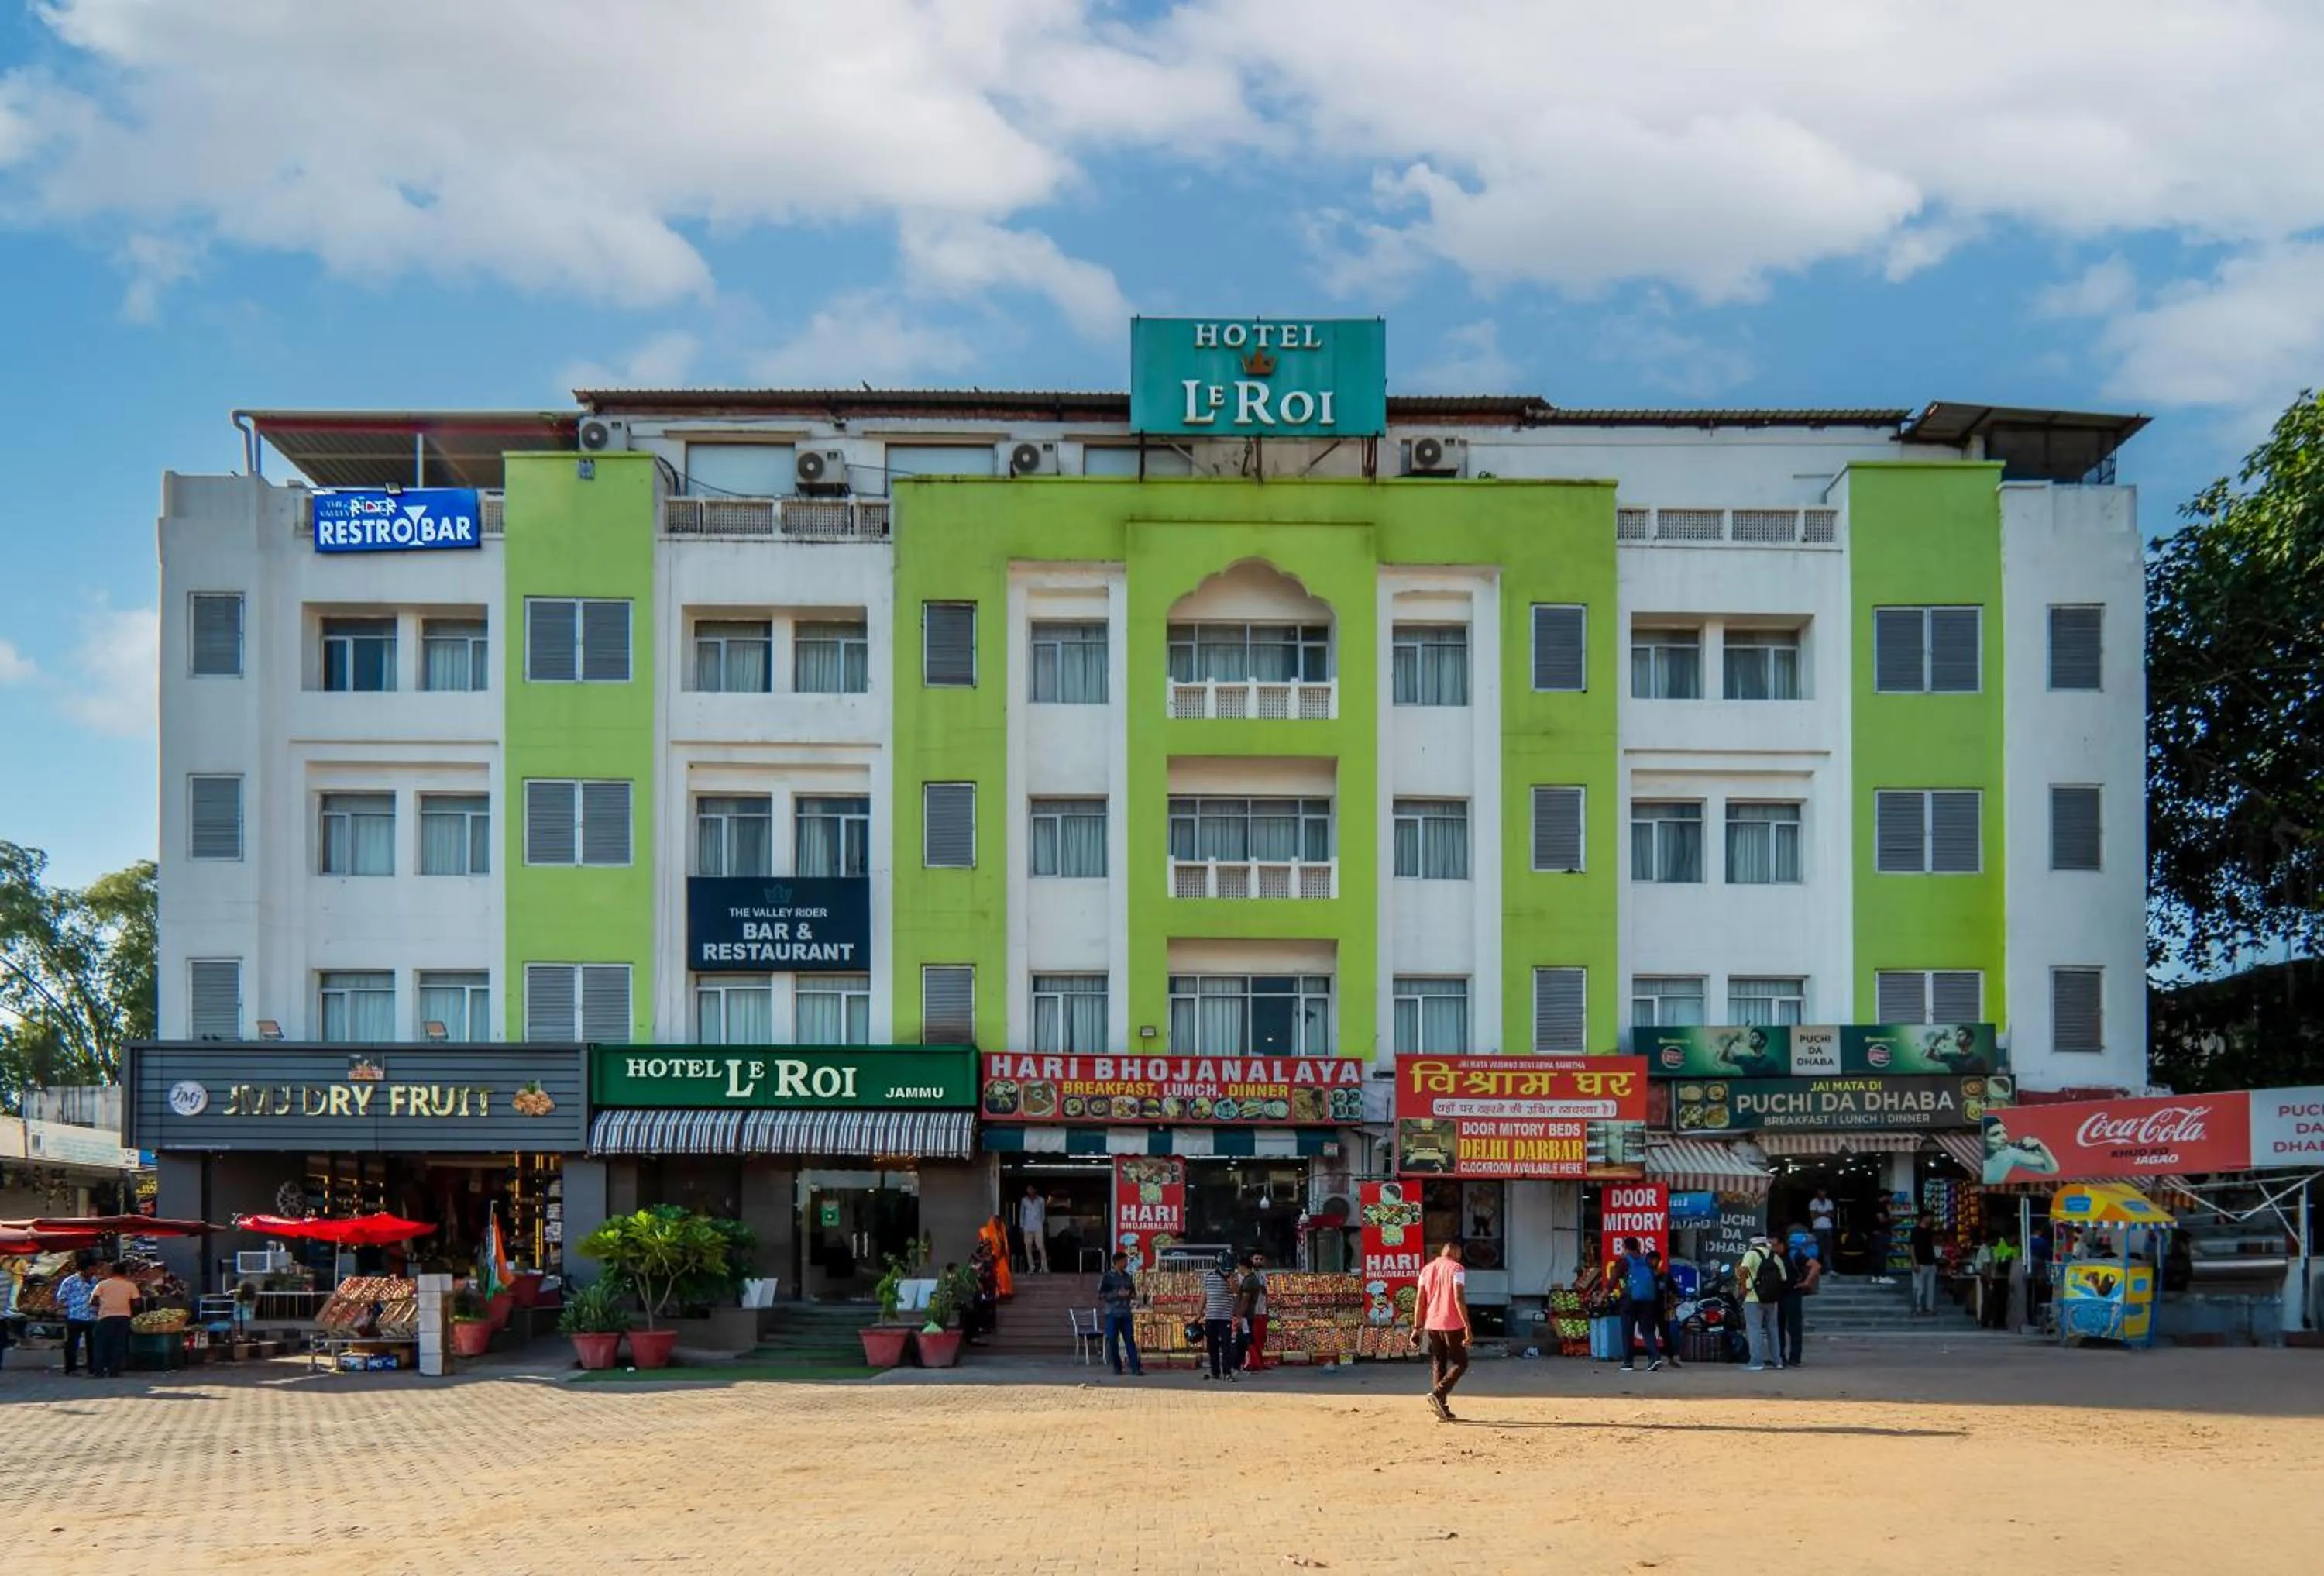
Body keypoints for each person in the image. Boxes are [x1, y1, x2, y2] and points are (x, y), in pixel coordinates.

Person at [1408, 1238, 1471, 1421]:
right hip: (1452, 1323)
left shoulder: (1426, 1270)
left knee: (1439, 1363)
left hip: (1432, 1323)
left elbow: (1420, 1299)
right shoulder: (1457, 1269)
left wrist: (1417, 1327)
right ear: (1456, 1253)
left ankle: (1441, 1407)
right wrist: (1467, 1325)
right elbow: (1458, 1297)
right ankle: (1438, 1393)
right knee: (1461, 1362)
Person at [1738, 1234, 1786, 1371]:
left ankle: (1756, 1362)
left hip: (1753, 1298)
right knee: (1773, 1330)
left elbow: (1743, 1269)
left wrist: (1742, 1287)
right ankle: (1778, 1361)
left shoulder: (1751, 1254)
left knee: (1754, 1330)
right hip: (1772, 1299)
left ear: (1752, 1243)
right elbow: (1783, 1278)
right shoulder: (1775, 1257)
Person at [1615, 1237, 1664, 1373]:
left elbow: (1613, 1279)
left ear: (1625, 1247)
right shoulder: (1646, 1261)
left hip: (1630, 1301)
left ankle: (1628, 1362)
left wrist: (1603, 1294)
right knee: (1647, 1330)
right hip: (1647, 1300)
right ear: (1638, 1247)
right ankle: (1655, 1357)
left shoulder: (1624, 1261)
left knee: (1627, 1331)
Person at [89, 1261, 140, 1378]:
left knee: (100, 1345)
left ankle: (99, 1371)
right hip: (123, 1317)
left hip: (105, 1317)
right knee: (119, 1345)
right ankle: (114, 1371)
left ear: (112, 1272)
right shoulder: (130, 1285)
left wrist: (104, 1304)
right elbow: (137, 1303)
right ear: (125, 1272)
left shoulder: (102, 1284)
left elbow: (93, 1301)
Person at [1780, 1226, 1821, 1368]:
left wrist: (1806, 1282)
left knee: (1794, 1327)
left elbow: (1816, 1266)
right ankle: (1781, 1356)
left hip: (1793, 1293)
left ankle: (1794, 1357)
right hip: (1779, 1294)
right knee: (1780, 1326)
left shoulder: (1795, 1255)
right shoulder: (1779, 1255)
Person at [1098, 1251, 1143, 1377]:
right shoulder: (1108, 1277)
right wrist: (1117, 1294)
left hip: (1126, 1313)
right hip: (1113, 1313)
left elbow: (1133, 1292)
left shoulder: (1128, 1277)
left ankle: (1135, 1367)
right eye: (1124, 1261)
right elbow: (1101, 1295)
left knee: (1130, 1340)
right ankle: (1117, 1366)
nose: (1126, 1263)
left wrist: (1131, 1295)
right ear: (1117, 1262)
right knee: (1112, 1339)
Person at [52, 1258, 98, 1377]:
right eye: (91, 1270)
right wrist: (73, 1303)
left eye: (94, 1269)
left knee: (92, 1344)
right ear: (82, 1270)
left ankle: (93, 1368)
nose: (93, 1272)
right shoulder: (70, 1281)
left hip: (92, 1316)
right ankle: (71, 1368)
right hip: (75, 1316)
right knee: (72, 1344)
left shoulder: (95, 1281)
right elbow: (61, 1298)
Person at [1200, 1253, 1239, 1381]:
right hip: (1211, 1316)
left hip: (1225, 1317)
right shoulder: (1209, 1276)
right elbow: (1204, 1296)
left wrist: (1230, 1278)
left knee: (1226, 1346)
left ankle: (1227, 1372)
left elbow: (1236, 1291)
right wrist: (1198, 1314)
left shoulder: (1234, 1277)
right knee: (1212, 1346)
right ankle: (1215, 1372)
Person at [1237, 1251, 1271, 1373]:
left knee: (1261, 1338)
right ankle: (1252, 1363)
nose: (1258, 1261)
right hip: (1252, 1311)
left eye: (1261, 1259)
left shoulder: (1262, 1274)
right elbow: (1244, 1295)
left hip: (1262, 1310)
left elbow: (1265, 1292)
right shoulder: (1244, 1275)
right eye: (1256, 1258)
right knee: (1252, 1338)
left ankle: (1259, 1361)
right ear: (1251, 1260)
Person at [1909, 1216, 1940, 1315]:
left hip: (1931, 1263)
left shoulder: (1930, 1232)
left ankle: (1929, 1307)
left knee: (1931, 1288)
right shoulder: (1915, 1231)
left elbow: (1933, 1246)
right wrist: (1914, 1262)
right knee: (1919, 1287)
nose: (1931, 1220)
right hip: (1920, 1263)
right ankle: (1918, 1307)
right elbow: (1911, 1247)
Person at [1018, 1184, 1049, 1275]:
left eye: (1031, 1189)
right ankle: (1031, 1268)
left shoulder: (1041, 1200)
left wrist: (1041, 1223)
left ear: (1035, 1190)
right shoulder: (1024, 1200)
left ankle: (1045, 1267)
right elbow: (1022, 1214)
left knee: (1040, 1246)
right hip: (1027, 1227)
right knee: (1028, 1247)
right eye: (1028, 1189)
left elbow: (1043, 1214)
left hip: (1038, 1226)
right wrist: (1021, 1226)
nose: (1029, 1191)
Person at [1807, 1189, 1837, 1273]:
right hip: (1817, 1228)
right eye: (1821, 1191)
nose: (1823, 1193)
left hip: (1828, 1227)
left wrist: (1819, 1213)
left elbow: (1831, 1215)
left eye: (1824, 1191)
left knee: (1828, 1249)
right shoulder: (1813, 1202)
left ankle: (1829, 1269)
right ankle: (1814, 1268)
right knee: (1816, 1249)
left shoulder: (1829, 1202)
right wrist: (1824, 1213)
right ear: (1817, 1192)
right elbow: (1812, 1216)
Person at [1868, 1198, 1896, 1286]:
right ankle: (1881, 1275)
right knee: (1881, 1255)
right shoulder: (1879, 1207)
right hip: (1880, 1234)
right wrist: (1891, 1217)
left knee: (1877, 1255)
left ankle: (1876, 1275)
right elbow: (1882, 1220)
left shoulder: (1877, 1206)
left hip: (1879, 1234)